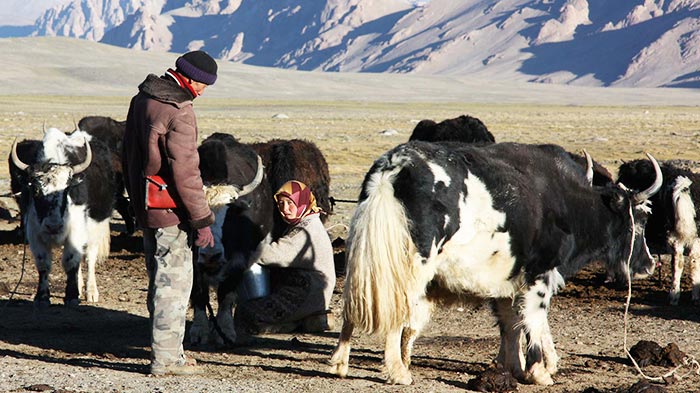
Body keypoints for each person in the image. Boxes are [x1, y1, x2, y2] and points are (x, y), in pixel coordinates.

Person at [122, 50, 218, 376]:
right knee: (173, 285)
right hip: (170, 212)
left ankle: (172, 351)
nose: (203, 91)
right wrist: (202, 220)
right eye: (203, 84)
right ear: (189, 79)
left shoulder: (143, 98)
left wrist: (136, 203)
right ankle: (165, 359)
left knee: (158, 279)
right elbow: (186, 174)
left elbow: (129, 154)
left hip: (146, 206)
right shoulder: (180, 111)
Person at [234, 180, 336, 336]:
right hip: (307, 290)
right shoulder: (306, 222)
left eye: (290, 203)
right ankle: (308, 319)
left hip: (307, 292)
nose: (285, 209)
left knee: (247, 312)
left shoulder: (306, 229)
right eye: (281, 204)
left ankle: (289, 324)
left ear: (302, 202)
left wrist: (242, 246)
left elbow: (272, 255)